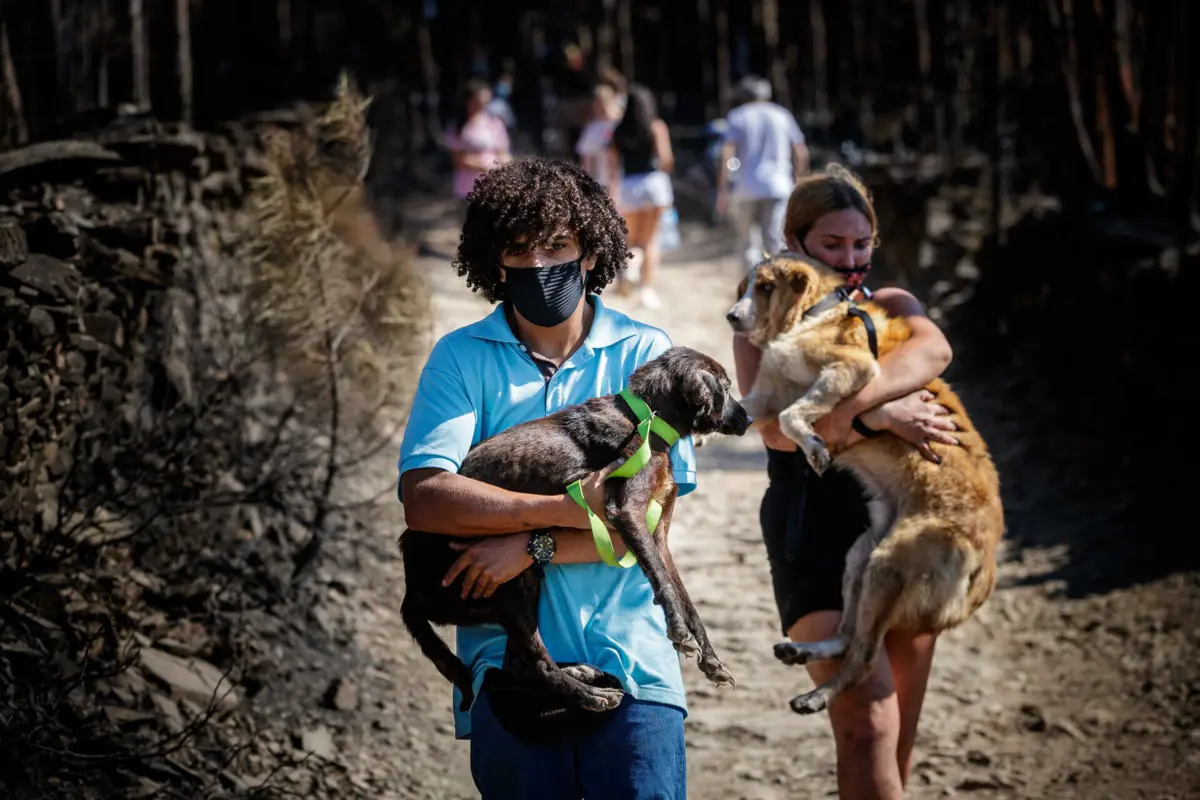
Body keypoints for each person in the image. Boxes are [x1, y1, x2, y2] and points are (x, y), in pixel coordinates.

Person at [398, 157, 697, 799]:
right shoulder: (460, 358)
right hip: (505, 671)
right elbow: (424, 501)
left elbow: (650, 526)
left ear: (591, 252)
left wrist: (527, 547)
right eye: (518, 250)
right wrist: (566, 510)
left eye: (557, 246)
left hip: (636, 666)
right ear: (494, 260)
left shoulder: (646, 355)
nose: (538, 264)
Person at [732, 164, 959, 800]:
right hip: (813, 529)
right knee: (867, 727)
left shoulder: (892, 305)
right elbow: (776, 433)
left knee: (897, 736)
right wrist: (874, 416)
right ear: (793, 239)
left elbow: (934, 351)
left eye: (862, 244)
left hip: (904, 528)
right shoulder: (764, 312)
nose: (851, 259)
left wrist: (843, 411)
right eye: (833, 244)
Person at [716, 75, 811, 269]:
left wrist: (723, 187)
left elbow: (727, 154)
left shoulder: (738, 116)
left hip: (745, 186)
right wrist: (798, 180)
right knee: (775, 239)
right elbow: (800, 151)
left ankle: (751, 283)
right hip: (778, 185)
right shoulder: (781, 115)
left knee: (747, 243)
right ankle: (778, 281)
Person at [608, 84, 675, 309]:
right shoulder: (656, 126)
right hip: (653, 184)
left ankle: (632, 268)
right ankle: (646, 289)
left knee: (633, 240)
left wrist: (612, 194)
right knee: (650, 240)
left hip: (629, 186)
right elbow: (665, 158)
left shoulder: (618, 131)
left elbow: (613, 167)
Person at [445, 77, 512, 202]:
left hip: (493, 187)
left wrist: (506, 170)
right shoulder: (456, 127)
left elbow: (503, 153)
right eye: (478, 102)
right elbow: (459, 160)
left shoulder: (494, 123)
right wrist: (487, 167)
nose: (482, 105)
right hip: (468, 188)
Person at [575, 80, 622, 205]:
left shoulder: (621, 124)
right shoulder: (593, 128)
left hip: (625, 180)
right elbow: (586, 160)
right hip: (604, 183)